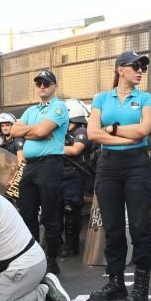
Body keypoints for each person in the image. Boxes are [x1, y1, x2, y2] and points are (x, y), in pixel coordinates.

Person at [86, 51, 151, 301]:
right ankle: (115, 283)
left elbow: (143, 130)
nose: (140, 71)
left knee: (140, 226)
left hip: (137, 164)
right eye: (135, 66)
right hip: (108, 166)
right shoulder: (101, 98)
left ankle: (140, 286)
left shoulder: (146, 98)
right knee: (112, 227)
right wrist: (124, 139)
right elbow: (93, 134)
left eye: (142, 68)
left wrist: (113, 129)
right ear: (120, 69)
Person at [9, 70, 68, 275]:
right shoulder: (31, 109)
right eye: (38, 83)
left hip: (50, 164)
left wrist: (32, 131)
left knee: (50, 214)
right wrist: (37, 130)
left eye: (46, 83)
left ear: (54, 86)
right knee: (27, 213)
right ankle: (32, 258)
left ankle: (51, 259)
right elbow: (13, 131)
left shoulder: (58, 107)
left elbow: (42, 131)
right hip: (31, 166)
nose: (42, 86)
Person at [61, 99, 93, 257]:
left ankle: (71, 245)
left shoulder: (81, 131)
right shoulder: (63, 133)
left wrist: (51, 147)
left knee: (71, 210)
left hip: (75, 176)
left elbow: (76, 150)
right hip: (61, 175)